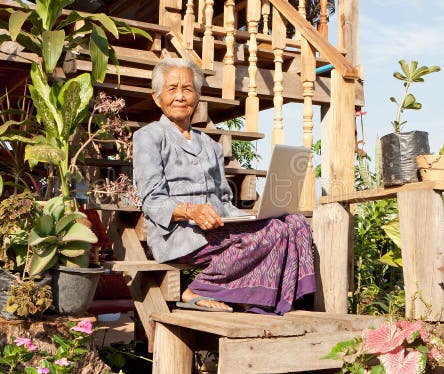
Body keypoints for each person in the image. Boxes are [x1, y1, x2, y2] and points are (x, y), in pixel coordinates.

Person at [132, 58, 315, 314]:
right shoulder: (148, 137)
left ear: (197, 96)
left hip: (217, 227)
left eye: (187, 89)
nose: (180, 96)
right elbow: (152, 200)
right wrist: (191, 210)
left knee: (294, 222)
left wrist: (253, 216)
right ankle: (200, 288)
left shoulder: (210, 145)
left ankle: (287, 299)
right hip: (179, 233)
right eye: (172, 89)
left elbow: (224, 202)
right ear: (157, 97)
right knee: (272, 232)